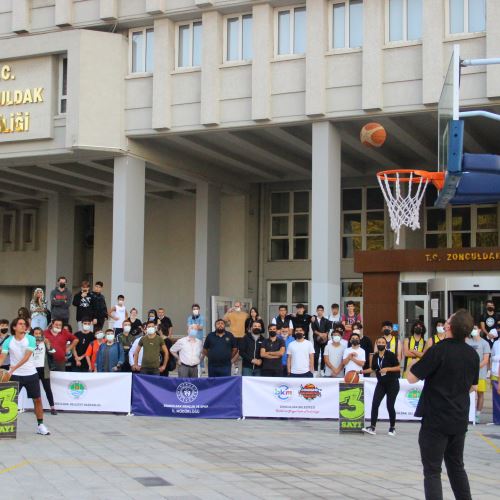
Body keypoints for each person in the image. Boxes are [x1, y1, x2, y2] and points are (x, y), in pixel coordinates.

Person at [407, 310, 479, 500]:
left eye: (447, 321)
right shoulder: (472, 354)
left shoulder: (438, 349)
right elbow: (473, 386)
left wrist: (413, 359)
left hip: (435, 419)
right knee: (456, 467)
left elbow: (412, 377)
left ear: (448, 327)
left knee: (432, 471)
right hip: (459, 418)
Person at [0, 318, 50, 435]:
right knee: (8, 401)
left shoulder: (31, 339)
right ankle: (5, 427)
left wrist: (12, 369)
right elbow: (2, 358)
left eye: (25, 324)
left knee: (37, 399)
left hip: (31, 374)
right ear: (14, 327)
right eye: (20, 324)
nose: (24, 326)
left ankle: (40, 425)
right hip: (15, 376)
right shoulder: (9, 341)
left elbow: (26, 357)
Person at [362, 336, 401, 436]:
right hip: (381, 383)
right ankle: (372, 427)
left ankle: (392, 427)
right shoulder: (375, 356)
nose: (380, 344)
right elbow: (373, 369)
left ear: (385, 344)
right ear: (376, 344)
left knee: (390, 405)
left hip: (392, 383)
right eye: (379, 342)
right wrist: (361, 371)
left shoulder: (391, 355)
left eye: (382, 342)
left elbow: (398, 367)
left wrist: (387, 368)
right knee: (375, 403)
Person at [466, 324, 491, 424]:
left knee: (480, 394)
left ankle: (477, 414)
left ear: (480, 330)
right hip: (467, 374)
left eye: (475, 329)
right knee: (467, 393)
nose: (473, 330)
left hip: (480, 374)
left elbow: (485, 360)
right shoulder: (467, 341)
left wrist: (475, 368)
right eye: (472, 329)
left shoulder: (485, 343)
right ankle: (467, 413)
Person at [32, 327, 57, 415]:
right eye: (36, 333)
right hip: (33, 369)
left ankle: (52, 408)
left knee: (47, 388)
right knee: (35, 390)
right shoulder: (30, 343)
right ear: (33, 334)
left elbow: (52, 352)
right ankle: (37, 408)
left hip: (44, 369)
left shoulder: (45, 342)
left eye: (39, 333)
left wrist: (48, 344)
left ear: (42, 334)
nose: (38, 335)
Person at [311, 305, 330, 374]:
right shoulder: (313, 320)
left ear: (323, 311)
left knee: (323, 354)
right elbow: (313, 329)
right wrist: (320, 334)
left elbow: (328, 330)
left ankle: (322, 369)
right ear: (316, 311)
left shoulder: (326, 320)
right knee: (316, 354)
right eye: (318, 310)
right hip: (316, 339)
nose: (320, 312)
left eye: (321, 310)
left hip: (324, 340)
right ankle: (315, 369)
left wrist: (325, 334)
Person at [491, 339, 500, 425]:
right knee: (496, 398)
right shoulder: (496, 343)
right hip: (495, 373)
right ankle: (497, 419)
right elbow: (492, 356)